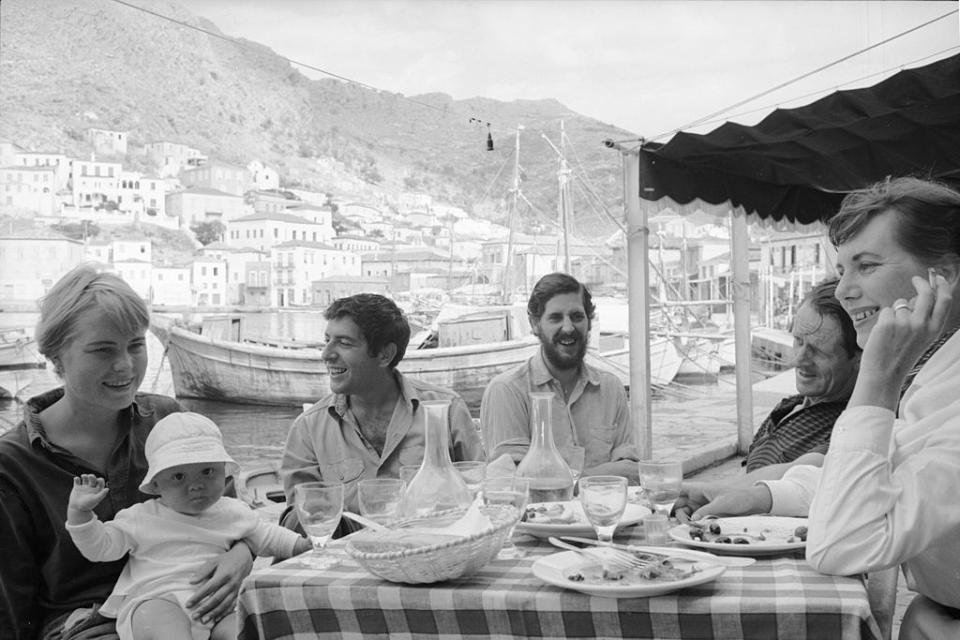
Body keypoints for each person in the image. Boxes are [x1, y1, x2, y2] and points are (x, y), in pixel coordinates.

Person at [687, 178, 960, 637]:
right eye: (842, 270)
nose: (842, 291)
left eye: (866, 266)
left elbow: (843, 543)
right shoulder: (941, 370)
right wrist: (760, 496)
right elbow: (877, 476)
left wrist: (877, 377)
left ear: (944, 275)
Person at [0, 264, 253, 640]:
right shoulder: (13, 465)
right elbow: (11, 610)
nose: (125, 366)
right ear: (56, 358)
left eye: (136, 345)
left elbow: (232, 517)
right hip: (84, 625)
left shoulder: (168, 418)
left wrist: (241, 556)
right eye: (103, 350)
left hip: (194, 601)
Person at [66, 412, 310, 640]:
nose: (196, 485)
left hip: (218, 605)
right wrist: (80, 514)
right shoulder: (140, 517)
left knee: (245, 631)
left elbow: (269, 536)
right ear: (157, 484)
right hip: (157, 599)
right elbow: (100, 548)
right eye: (179, 476)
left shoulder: (234, 512)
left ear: (223, 473)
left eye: (207, 471)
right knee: (168, 630)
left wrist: (303, 545)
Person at [280, 293, 484, 532]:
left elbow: (481, 496)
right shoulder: (309, 428)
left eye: (344, 343)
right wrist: (322, 518)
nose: (326, 354)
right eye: (327, 340)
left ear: (385, 355)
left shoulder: (446, 410)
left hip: (433, 553)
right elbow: (296, 519)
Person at [673, 279, 861, 518]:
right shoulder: (789, 407)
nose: (797, 360)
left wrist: (700, 488)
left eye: (819, 351)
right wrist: (706, 500)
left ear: (859, 357)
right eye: (799, 341)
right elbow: (747, 480)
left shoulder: (849, 424)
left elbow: (803, 471)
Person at [480, 272, 639, 482]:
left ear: (589, 323)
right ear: (535, 324)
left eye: (577, 316)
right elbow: (515, 485)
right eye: (556, 318)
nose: (568, 328)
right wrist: (601, 476)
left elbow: (629, 472)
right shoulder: (507, 391)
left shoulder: (611, 388)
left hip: (606, 513)